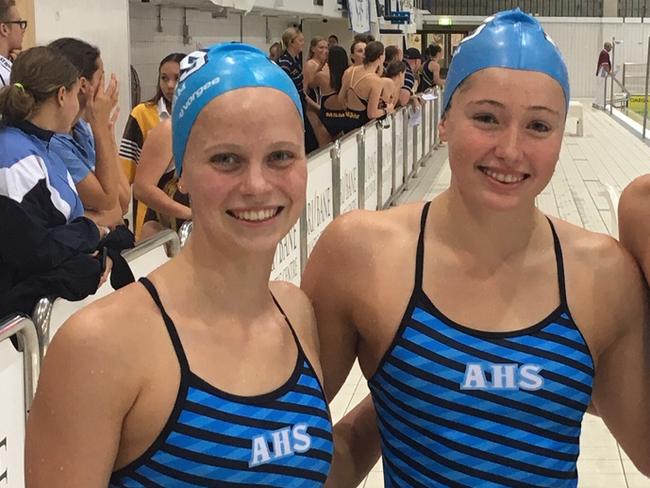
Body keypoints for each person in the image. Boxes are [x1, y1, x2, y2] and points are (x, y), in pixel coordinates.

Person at [302, 8, 650, 486]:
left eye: (538, 126)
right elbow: (294, 440)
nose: (510, 149)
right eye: (486, 118)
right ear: (443, 121)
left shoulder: (605, 274)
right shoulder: (361, 255)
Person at [26, 43, 336, 487]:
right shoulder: (101, 346)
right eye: (225, 159)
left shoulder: (297, 315)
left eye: (281, 156)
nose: (256, 184)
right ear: (182, 170)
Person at [0, 47, 109, 316]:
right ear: (62, 95)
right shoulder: (16, 159)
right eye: (76, 94)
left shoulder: (41, 144)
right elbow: (34, 251)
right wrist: (89, 234)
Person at [48, 38, 130, 228]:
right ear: (83, 85)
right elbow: (108, 202)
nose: (107, 86)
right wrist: (100, 126)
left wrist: (105, 130)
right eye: (102, 77)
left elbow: (124, 200)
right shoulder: (54, 142)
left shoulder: (82, 128)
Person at [119, 52, 185, 239]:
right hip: (152, 219)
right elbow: (125, 172)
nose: (170, 85)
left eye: (177, 78)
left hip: (187, 226)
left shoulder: (198, 120)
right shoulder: (142, 114)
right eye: (164, 78)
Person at [133, 118, 190, 238]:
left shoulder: (225, 135)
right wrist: (192, 215)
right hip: (167, 237)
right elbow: (142, 188)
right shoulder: (170, 131)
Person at [339, 41, 393, 133]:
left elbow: (340, 98)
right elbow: (372, 114)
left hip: (348, 119)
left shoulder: (350, 71)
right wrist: (387, 110)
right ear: (380, 57)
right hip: (362, 125)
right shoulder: (375, 81)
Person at [315, 45, 350, 139]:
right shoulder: (349, 75)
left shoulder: (321, 76)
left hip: (326, 117)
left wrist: (321, 65)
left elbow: (311, 84)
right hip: (344, 117)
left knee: (324, 151)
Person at [303, 36, 331, 147]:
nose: (324, 50)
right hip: (314, 110)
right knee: (322, 144)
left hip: (326, 110)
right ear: (313, 49)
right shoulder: (309, 65)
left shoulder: (327, 66)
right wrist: (316, 106)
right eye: (321, 47)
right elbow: (303, 92)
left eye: (326, 47)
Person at [0, 0, 25, 86]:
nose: (23, 30)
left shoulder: (16, 64)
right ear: (4, 29)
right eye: (19, 23)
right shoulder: (4, 77)